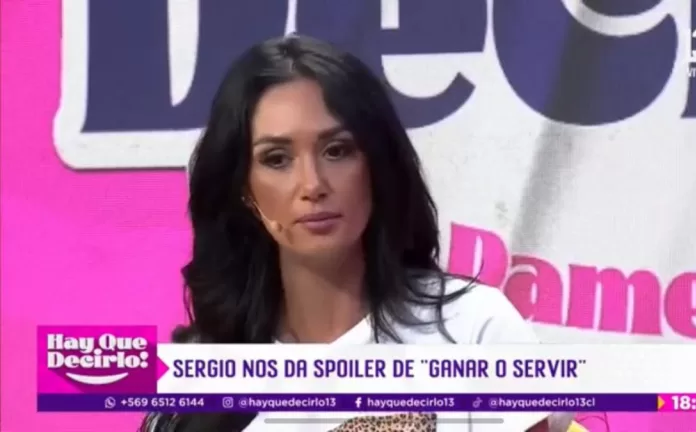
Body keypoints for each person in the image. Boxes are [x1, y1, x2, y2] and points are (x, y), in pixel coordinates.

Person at [141, 34, 572, 432]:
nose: (312, 185)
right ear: (244, 191)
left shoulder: (473, 331)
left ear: (376, 165)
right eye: (276, 159)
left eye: (337, 150)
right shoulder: (198, 384)